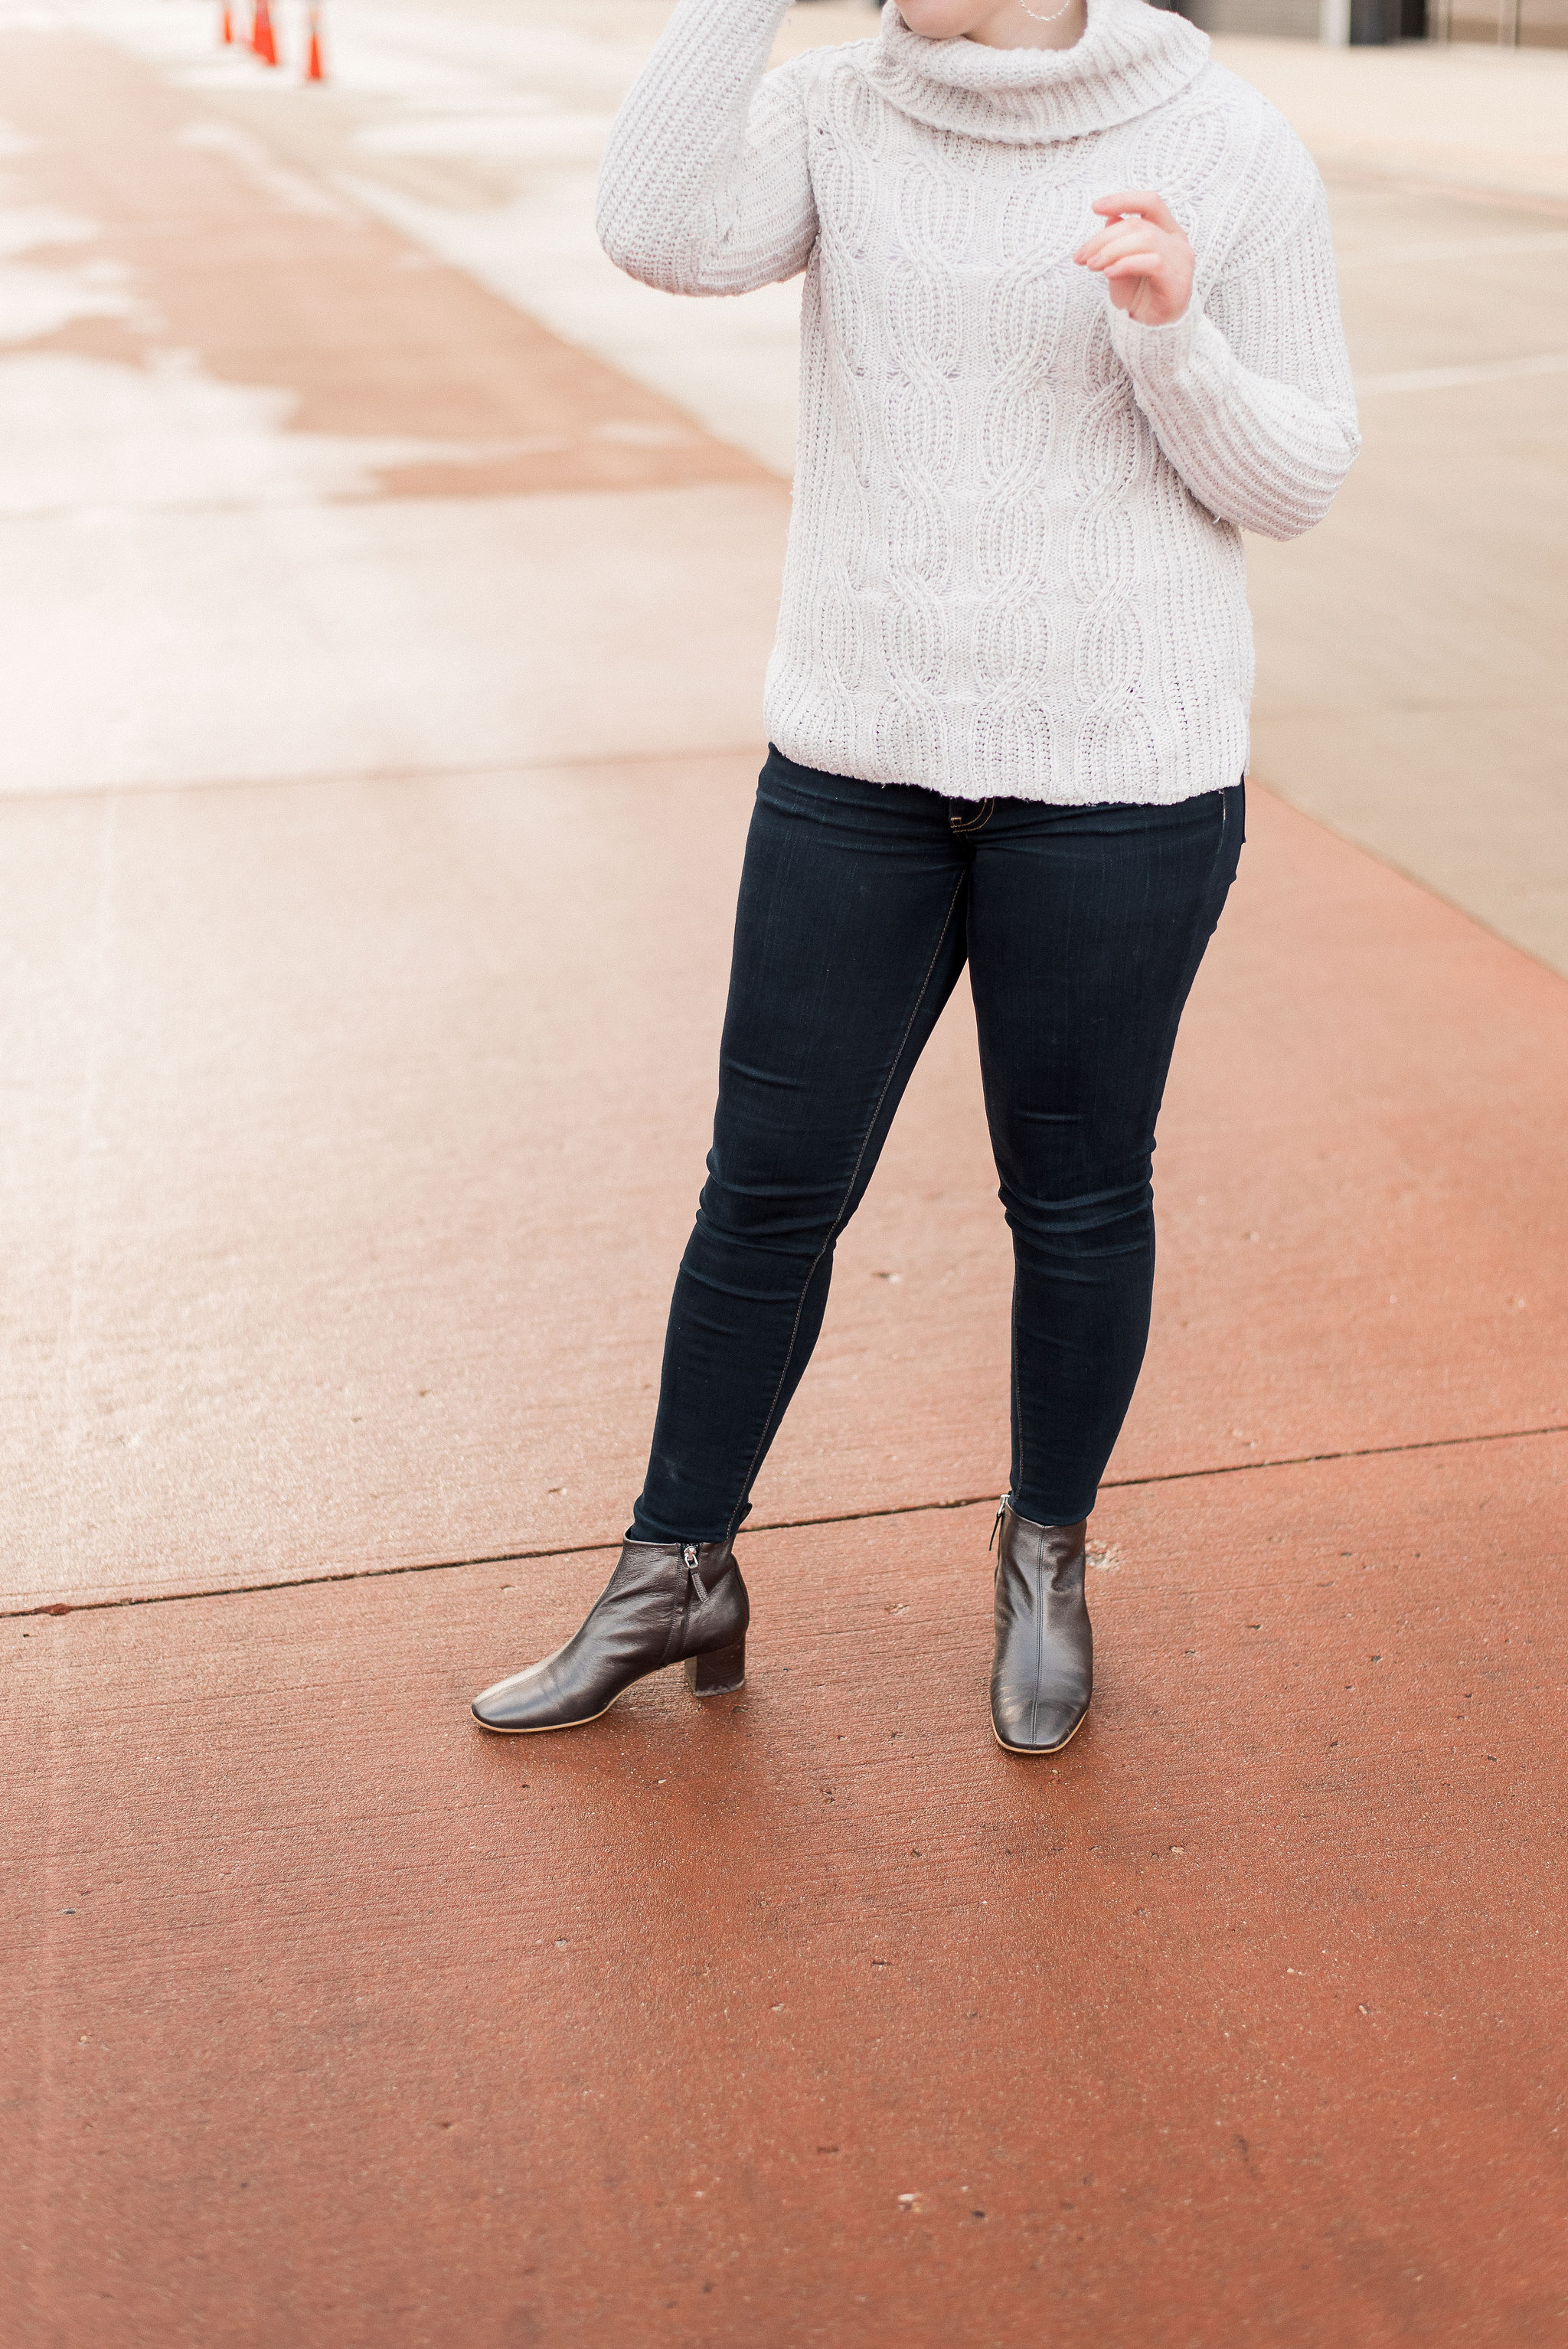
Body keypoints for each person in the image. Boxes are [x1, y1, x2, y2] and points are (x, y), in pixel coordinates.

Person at [471, 0, 1357, 1751]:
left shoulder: (1230, 137)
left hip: (1117, 776)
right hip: (857, 762)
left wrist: (1173, 335)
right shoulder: (838, 115)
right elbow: (655, 230)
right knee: (767, 1185)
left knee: (1079, 1193)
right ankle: (675, 1569)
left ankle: (1046, 1556)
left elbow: (1302, 478)